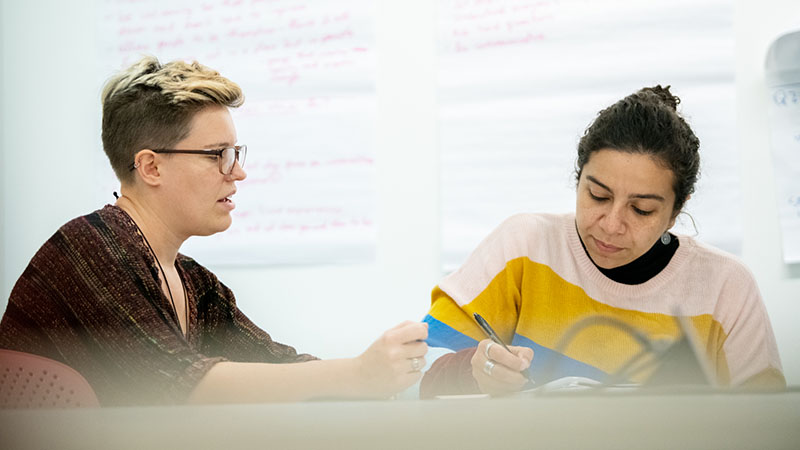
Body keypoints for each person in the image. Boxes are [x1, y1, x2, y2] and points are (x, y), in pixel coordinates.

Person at [0, 56, 428, 406]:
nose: (237, 172)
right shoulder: (90, 248)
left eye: (235, 153)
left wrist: (380, 377)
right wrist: (357, 375)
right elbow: (184, 387)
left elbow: (279, 365)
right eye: (217, 154)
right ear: (151, 166)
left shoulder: (196, 283)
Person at [420, 86, 785, 398]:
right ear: (578, 179)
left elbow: (765, 427)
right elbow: (415, 373)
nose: (611, 226)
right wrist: (473, 370)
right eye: (597, 195)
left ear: (675, 212)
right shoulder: (524, 247)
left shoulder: (726, 288)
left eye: (641, 210)